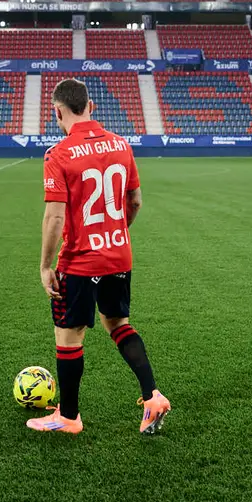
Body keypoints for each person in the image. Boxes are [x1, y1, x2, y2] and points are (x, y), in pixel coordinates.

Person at [27, 78, 170, 435]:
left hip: (80, 261)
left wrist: (45, 266)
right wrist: (118, 234)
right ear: (91, 107)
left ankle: (69, 417)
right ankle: (152, 395)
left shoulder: (58, 154)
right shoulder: (122, 145)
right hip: (119, 255)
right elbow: (134, 202)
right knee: (117, 324)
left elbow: (55, 217)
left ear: (57, 112)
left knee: (69, 336)